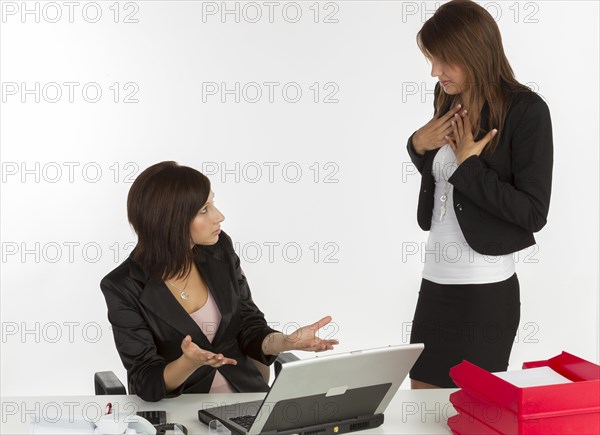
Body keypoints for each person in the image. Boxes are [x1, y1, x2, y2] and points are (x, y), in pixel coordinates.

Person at [100, 161, 338, 402]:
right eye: (204, 210)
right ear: (170, 221)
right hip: (180, 411)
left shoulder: (219, 249)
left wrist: (286, 342)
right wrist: (187, 363)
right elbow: (145, 379)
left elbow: (249, 326)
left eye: (212, 203)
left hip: (247, 400)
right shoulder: (123, 286)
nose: (219, 216)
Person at [406, 0, 553, 388]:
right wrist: (417, 146)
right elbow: (441, 176)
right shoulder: (447, 100)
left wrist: (471, 168)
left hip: (485, 296)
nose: (435, 71)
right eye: (431, 60)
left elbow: (533, 212)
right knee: (421, 410)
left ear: (474, 52)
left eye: (444, 60)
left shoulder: (527, 112)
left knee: (472, 417)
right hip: (434, 286)